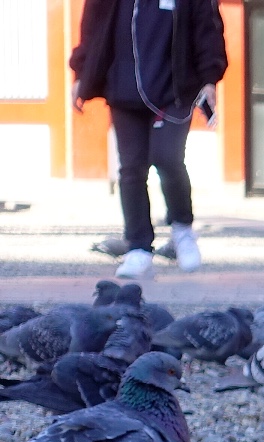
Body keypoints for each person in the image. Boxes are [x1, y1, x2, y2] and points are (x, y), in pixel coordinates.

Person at [69, 0, 226, 280]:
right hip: (122, 87)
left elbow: (208, 28)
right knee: (130, 168)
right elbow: (92, 28)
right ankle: (138, 247)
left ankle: (182, 229)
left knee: (168, 158)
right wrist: (82, 74)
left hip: (175, 89)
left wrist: (209, 78)